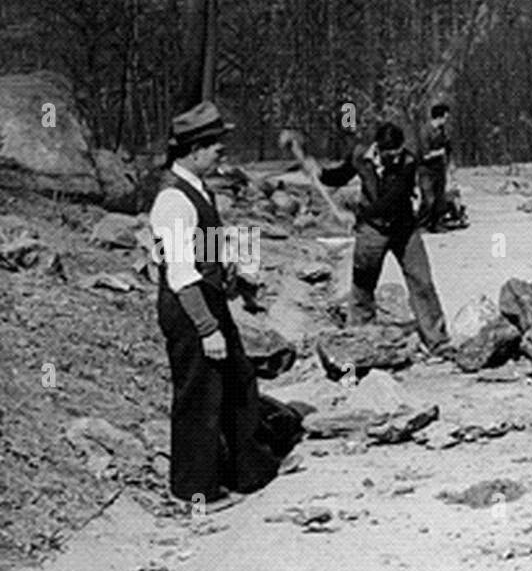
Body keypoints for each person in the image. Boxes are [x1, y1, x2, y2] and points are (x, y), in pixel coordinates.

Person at [150, 101, 297, 511]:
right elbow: (180, 270)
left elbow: (207, 248)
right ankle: (193, 492)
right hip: (189, 307)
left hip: (209, 298)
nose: (222, 152)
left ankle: (250, 472)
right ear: (193, 150)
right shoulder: (172, 200)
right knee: (199, 397)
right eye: (215, 145)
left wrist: (238, 277)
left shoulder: (199, 190)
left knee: (239, 382)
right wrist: (206, 327)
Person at [311, 123, 449, 352]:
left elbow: (394, 198)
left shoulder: (408, 161)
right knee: (363, 284)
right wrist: (321, 173)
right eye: (389, 155)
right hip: (372, 231)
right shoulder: (360, 156)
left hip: (404, 228)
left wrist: (357, 214)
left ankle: (437, 340)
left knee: (421, 280)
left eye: (397, 153)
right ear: (379, 149)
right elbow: (341, 175)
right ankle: (360, 337)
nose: (394, 158)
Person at [416, 102, 454, 232]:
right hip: (426, 169)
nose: (446, 120)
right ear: (439, 117)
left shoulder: (442, 131)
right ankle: (422, 224)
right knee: (428, 199)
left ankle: (437, 223)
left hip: (439, 168)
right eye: (445, 117)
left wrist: (449, 164)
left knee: (439, 198)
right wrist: (439, 153)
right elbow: (425, 154)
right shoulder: (425, 131)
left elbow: (448, 148)